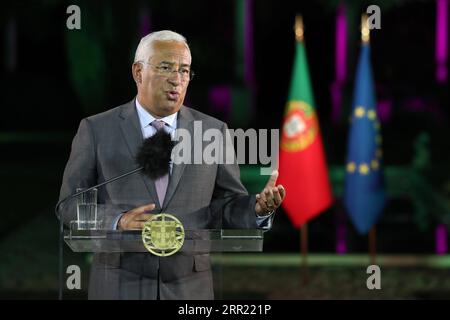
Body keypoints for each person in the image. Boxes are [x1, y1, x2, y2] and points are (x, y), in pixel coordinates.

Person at [58, 30, 285, 300]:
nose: (176, 79)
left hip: (189, 288)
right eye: (166, 67)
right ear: (138, 72)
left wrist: (257, 208)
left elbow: (225, 204)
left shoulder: (212, 131)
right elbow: (69, 205)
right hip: (119, 284)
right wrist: (117, 220)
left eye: (184, 70)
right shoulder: (96, 129)